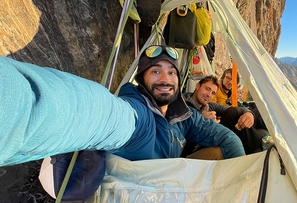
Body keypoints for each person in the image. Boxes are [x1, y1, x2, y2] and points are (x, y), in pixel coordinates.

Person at [0, 45, 245, 167]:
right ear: (141, 80)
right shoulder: (137, 115)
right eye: (155, 71)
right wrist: (21, 102)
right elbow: (98, 112)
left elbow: (228, 139)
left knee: (222, 152)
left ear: (179, 82)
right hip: (140, 195)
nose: (164, 79)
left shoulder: (183, 114)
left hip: (172, 178)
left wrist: (242, 187)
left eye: (171, 72)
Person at [182, 75, 268, 155]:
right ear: (198, 86)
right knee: (222, 150)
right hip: (194, 150)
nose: (209, 95)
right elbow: (183, 142)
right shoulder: (182, 105)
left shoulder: (209, 106)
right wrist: (201, 120)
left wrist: (249, 114)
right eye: (207, 89)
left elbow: (232, 110)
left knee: (256, 111)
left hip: (214, 138)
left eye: (213, 93)